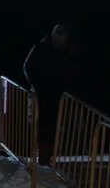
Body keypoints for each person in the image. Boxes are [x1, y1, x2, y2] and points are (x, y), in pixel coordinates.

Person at [23, 24, 79, 164]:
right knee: (43, 126)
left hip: (59, 94)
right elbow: (28, 67)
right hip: (42, 93)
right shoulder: (41, 48)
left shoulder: (67, 51)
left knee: (54, 125)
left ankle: (48, 156)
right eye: (60, 41)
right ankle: (42, 157)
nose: (62, 44)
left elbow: (71, 70)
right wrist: (36, 84)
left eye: (64, 41)